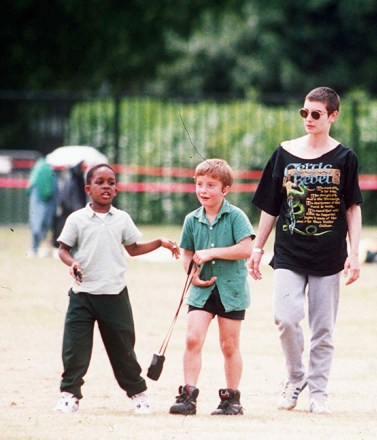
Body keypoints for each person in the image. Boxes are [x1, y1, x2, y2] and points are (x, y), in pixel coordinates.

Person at [248, 87, 363, 414]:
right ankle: (296, 377)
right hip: (289, 252)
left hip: (328, 256)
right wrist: (258, 247)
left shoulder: (345, 157)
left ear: (332, 116)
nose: (309, 119)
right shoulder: (284, 153)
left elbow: (353, 208)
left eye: (316, 114)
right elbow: (270, 206)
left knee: (323, 328)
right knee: (284, 318)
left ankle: (319, 391)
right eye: (305, 113)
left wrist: (353, 254)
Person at [55, 163, 180, 414]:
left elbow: (133, 249)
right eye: (100, 182)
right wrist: (73, 263)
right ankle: (69, 395)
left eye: (111, 182)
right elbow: (63, 250)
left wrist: (159, 242)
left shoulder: (121, 219)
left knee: (123, 349)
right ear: (88, 188)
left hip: (114, 295)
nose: (106, 186)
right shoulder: (77, 219)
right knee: (75, 349)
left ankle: (139, 395)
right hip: (83, 295)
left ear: (116, 189)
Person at [168, 159, 254, 416]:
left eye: (211, 185)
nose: (203, 190)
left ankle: (231, 400)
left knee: (229, 346)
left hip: (231, 291)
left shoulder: (236, 216)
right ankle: (188, 397)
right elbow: (187, 253)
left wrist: (210, 253)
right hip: (201, 290)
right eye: (199, 184)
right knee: (193, 339)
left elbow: (245, 249)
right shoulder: (191, 220)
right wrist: (191, 273)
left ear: (225, 190)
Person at [27, 157, 57, 256]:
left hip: (37, 204)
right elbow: (56, 191)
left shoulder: (36, 171)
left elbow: (28, 189)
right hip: (49, 205)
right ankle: (44, 249)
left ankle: (35, 249)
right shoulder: (51, 172)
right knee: (46, 227)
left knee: (36, 226)